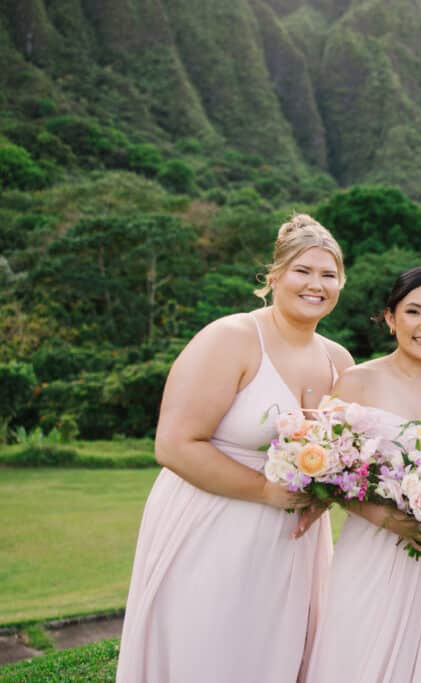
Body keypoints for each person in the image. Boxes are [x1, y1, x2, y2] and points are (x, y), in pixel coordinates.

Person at [117, 214, 352, 682]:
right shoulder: (232, 338)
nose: (316, 284)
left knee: (274, 657)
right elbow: (174, 444)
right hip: (212, 525)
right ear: (275, 276)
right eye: (303, 271)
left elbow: (347, 455)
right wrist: (265, 491)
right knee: (207, 650)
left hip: (293, 546)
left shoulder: (339, 361)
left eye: (329, 275)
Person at [303, 267, 421, 683]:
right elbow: (323, 474)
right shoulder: (357, 381)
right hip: (373, 548)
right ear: (391, 318)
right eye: (414, 312)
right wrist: (382, 516)